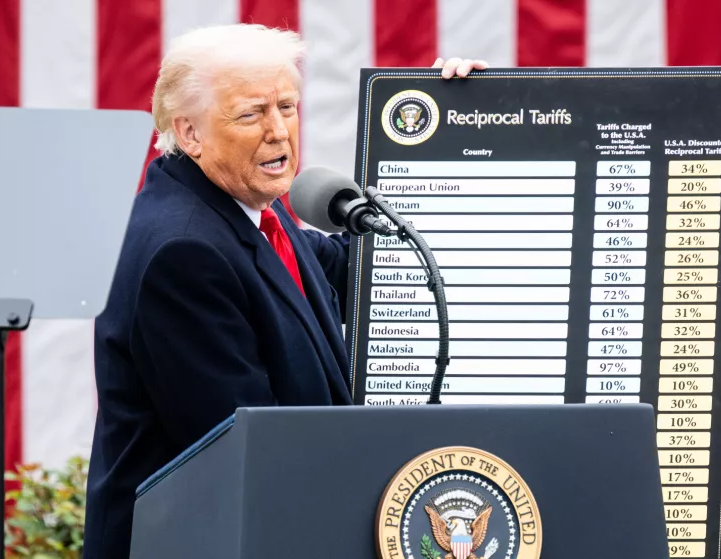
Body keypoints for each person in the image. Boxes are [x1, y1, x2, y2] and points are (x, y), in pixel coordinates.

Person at [81, 23, 487, 559]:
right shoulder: (183, 251)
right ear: (190, 132)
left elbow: (357, 274)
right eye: (251, 113)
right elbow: (252, 451)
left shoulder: (243, 207)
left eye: (288, 107)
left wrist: (454, 129)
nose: (279, 132)